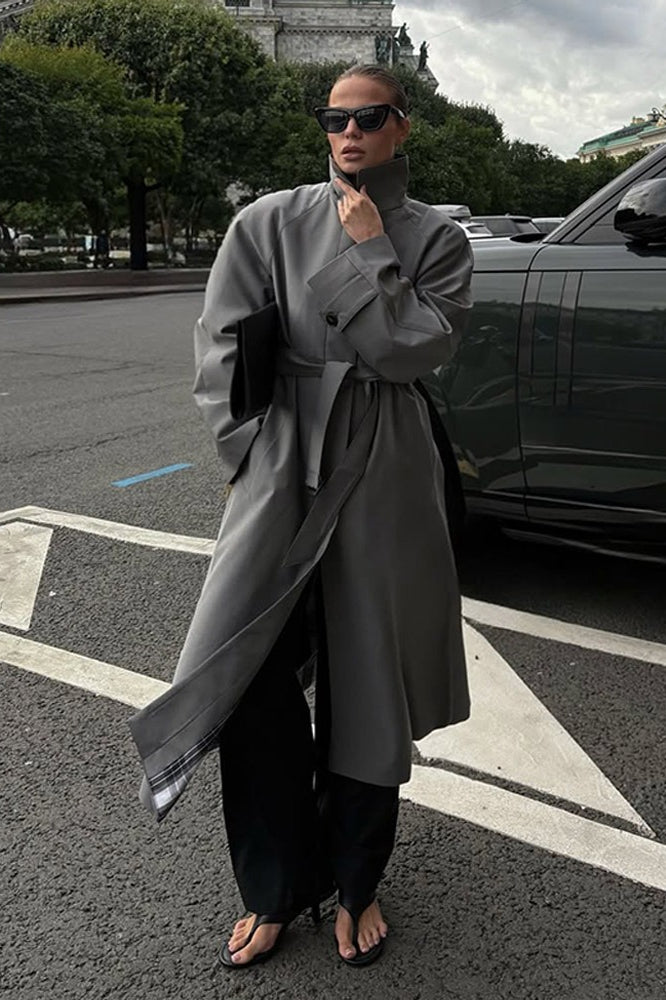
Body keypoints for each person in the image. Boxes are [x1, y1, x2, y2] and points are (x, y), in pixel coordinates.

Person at [128, 64, 473, 971]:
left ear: (402, 127)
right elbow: (221, 348)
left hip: (386, 469)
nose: (349, 132)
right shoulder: (267, 221)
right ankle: (276, 885)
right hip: (282, 462)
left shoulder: (438, 238)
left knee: (368, 684)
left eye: (370, 117)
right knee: (245, 673)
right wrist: (249, 454)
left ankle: (357, 882)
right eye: (334, 118)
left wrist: (370, 249)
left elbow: (409, 353)